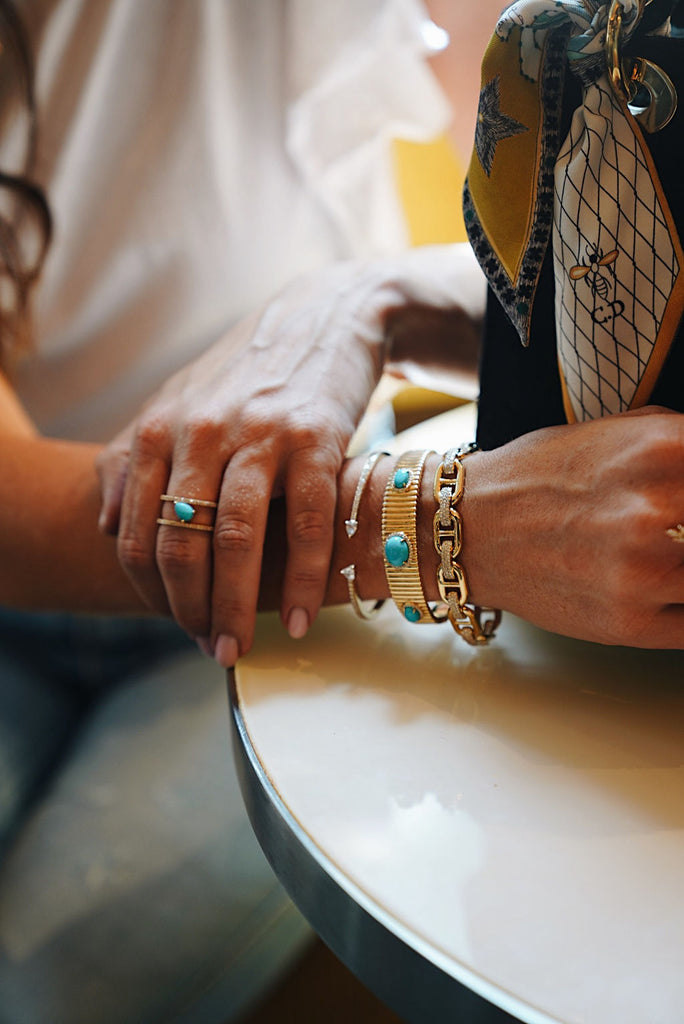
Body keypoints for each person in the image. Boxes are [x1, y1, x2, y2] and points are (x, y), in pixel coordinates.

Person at [0, 2, 485, 1022]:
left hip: (270, 623)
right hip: (256, 571)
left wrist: (362, 295)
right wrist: (458, 528)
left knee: (48, 994)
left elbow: (556, 258)